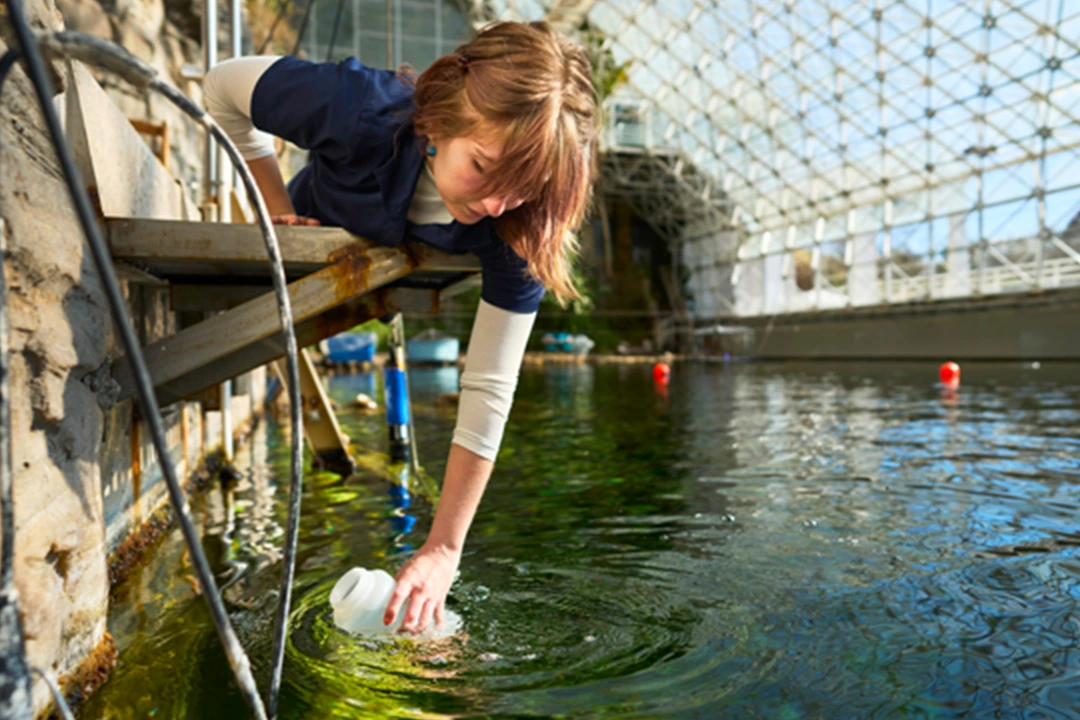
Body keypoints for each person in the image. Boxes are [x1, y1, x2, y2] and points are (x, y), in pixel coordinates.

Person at [204, 20, 598, 634]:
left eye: (520, 190)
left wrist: (443, 550)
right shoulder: (356, 105)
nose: (496, 203)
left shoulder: (520, 231)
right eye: (485, 167)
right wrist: (277, 213)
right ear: (440, 119)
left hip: (394, 271)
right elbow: (223, 86)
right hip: (321, 230)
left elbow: (490, 385)